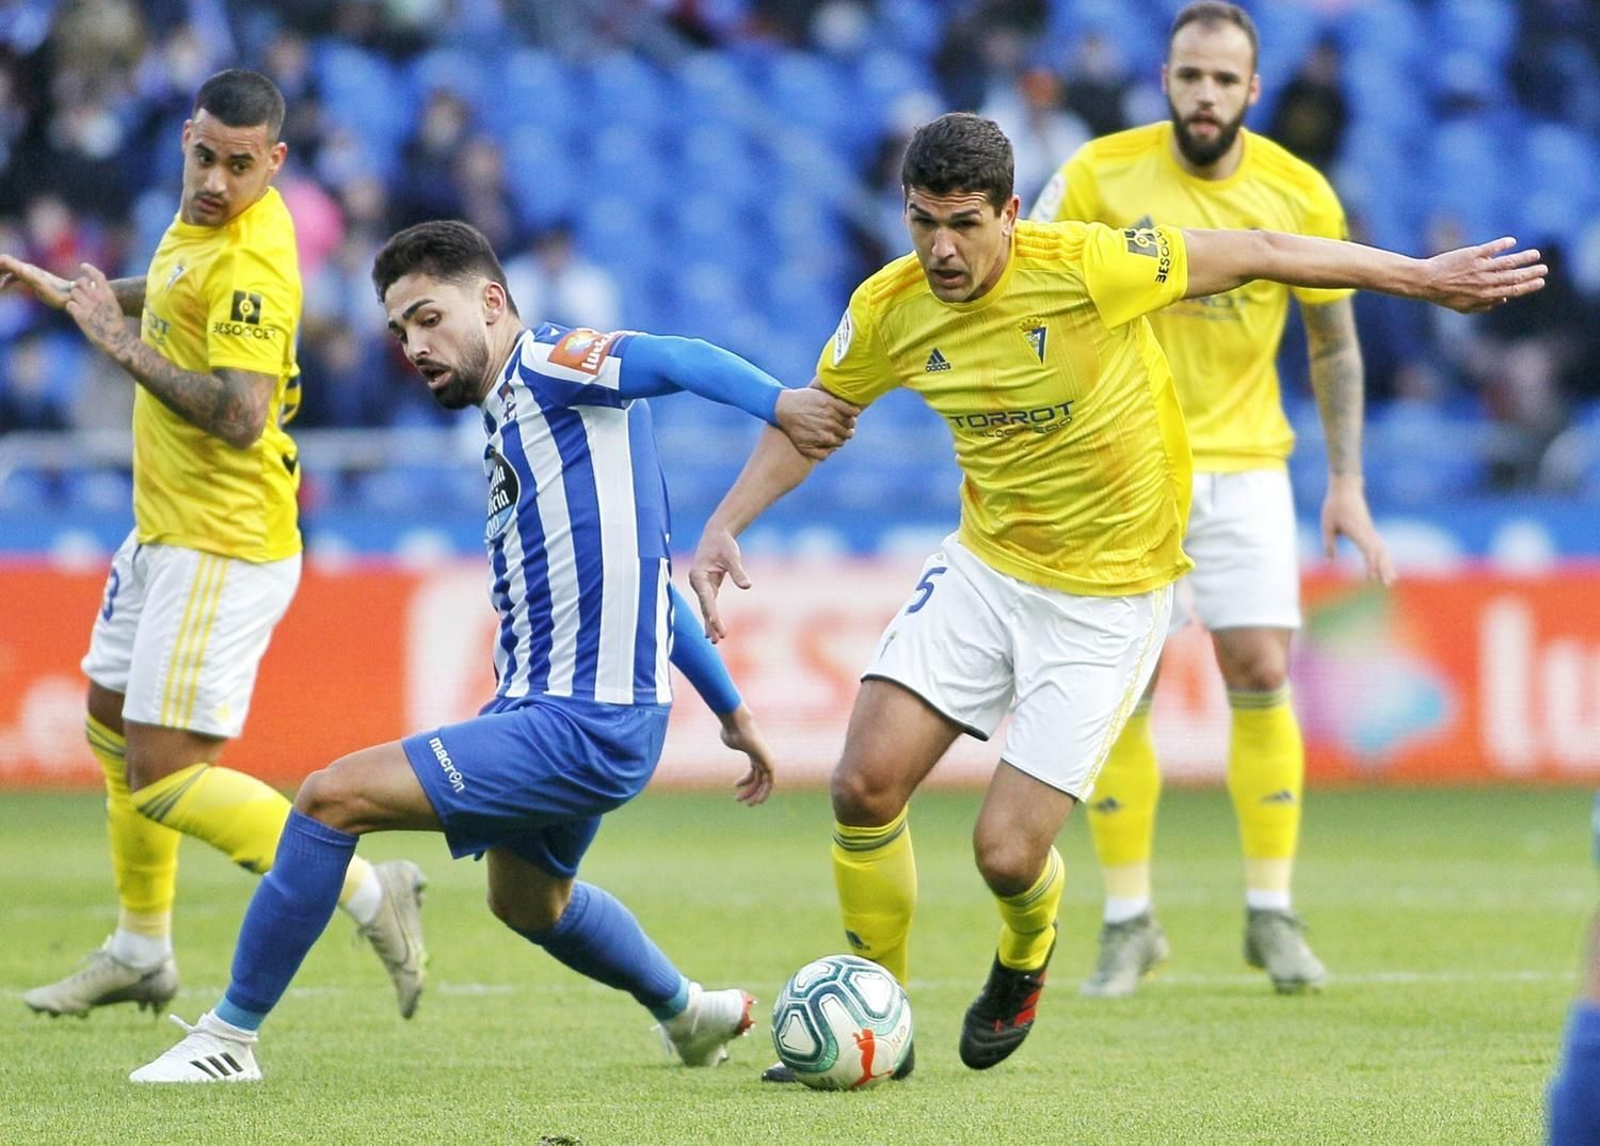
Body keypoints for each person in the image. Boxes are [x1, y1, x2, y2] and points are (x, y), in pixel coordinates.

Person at [689, 111, 1543, 1078]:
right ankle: (881, 1023)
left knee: (1006, 855)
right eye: (922, 221)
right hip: (987, 565)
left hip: (1109, 596)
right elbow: (819, 416)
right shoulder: (890, 307)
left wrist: (1424, 279)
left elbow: (1261, 248)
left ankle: (1024, 957)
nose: (940, 248)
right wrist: (728, 521)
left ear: (1011, 212)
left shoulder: (1091, 265)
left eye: (964, 222)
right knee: (861, 784)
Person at [128, 219, 859, 1082]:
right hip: (561, 713)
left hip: (580, 722)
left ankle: (228, 1039)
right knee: (529, 902)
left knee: (330, 798)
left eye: (429, 318)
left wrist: (781, 403)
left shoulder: (553, 365)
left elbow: (675, 356)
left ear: (492, 301)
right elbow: (653, 588)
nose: (415, 346)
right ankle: (687, 1012)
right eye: (401, 331)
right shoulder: (516, 419)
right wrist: (733, 712)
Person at [0, 70, 429, 1021]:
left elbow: (241, 415)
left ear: (273, 163)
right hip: (164, 527)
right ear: (187, 138)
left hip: (220, 541)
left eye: (241, 166)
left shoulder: (256, 261)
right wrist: (80, 296)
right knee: (113, 731)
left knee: (164, 779)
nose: (216, 179)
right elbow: (173, 291)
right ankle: (142, 950)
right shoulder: (202, 224)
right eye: (204, 156)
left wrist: (113, 341)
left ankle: (370, 889)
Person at [1027, 0, 1391, 998]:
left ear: (1252, 91)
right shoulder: (1098, 176)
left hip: (1246, 467)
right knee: (1122, 685)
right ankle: (1127, 918)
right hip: (1124, 468)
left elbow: (1332, 342)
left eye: (1223, 80)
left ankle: (1271, 911)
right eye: (1189, 75)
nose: (1204, 94)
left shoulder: (1298, 192)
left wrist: (1347, 483)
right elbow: (1027, 294)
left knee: (1261, 665)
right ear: (1165, 77)